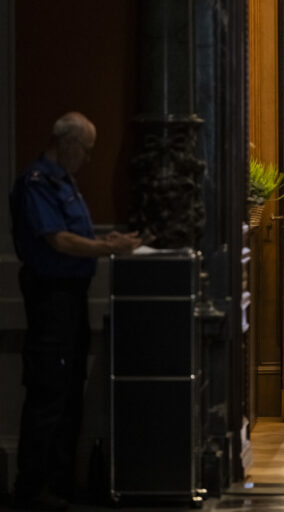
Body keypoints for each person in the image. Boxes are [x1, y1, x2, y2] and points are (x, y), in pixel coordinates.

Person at [10, 112, 141, 510]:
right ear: (66, 144)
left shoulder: (64, 183)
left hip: (71, 299)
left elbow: (76, 234)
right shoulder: (36, 184)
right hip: (52, 299)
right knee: (49, 393)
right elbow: (59, 241)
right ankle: (33, 488)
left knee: (68, 394)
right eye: (85, 150)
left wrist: (107, 239)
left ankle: (62, 483)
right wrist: (106, 248)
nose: (87, 159)